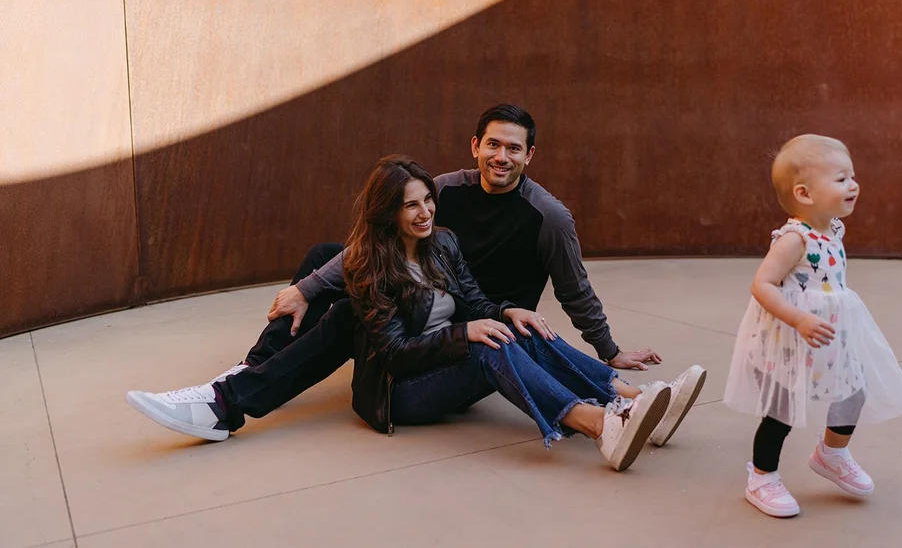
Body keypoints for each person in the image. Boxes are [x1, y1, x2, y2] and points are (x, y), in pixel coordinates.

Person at [126, 104, 706, 447]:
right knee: (333, 279)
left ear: (530, 155)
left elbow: (567, 290)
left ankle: (630, 401)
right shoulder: (397, 242)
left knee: (513, 326)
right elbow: (393, 337)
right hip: (409, 368)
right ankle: (243, 382)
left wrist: (582, 338)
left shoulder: (483, 231)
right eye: (413, 205)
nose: (427, 210)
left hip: (454, 331)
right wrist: (304, 289)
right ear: (475, 146)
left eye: (514, 149)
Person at [723, 134, 902, 518]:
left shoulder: (833, 230)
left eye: (852, 176)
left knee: (853, 391)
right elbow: (762, 284)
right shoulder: (794, 239)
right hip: (788, 338)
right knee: (780, 411)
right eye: (841, 179)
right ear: (804, 193)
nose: (853, 185)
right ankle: (762, 477)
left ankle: (832, 453)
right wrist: (798, 318)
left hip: (829, 334)